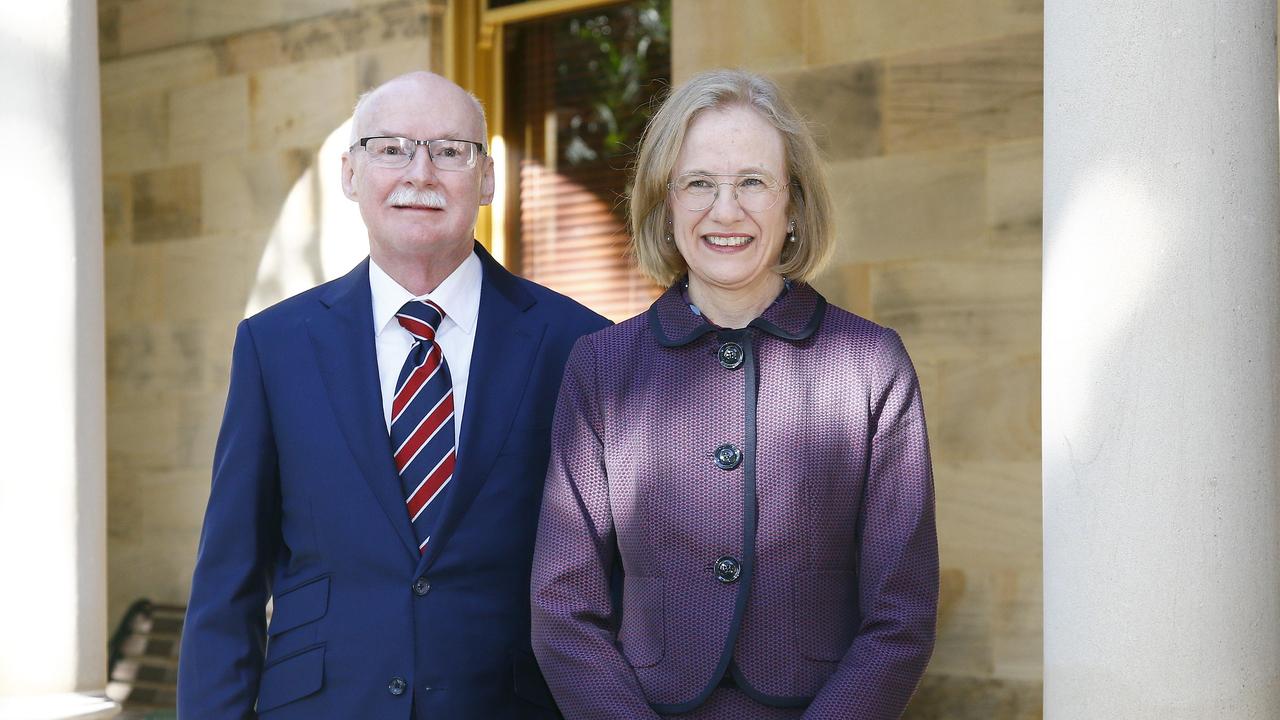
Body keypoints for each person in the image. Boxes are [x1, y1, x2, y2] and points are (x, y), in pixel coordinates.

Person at [178, 71, 608, 719]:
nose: (421, 173)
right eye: (391, 148)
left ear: (487, 179)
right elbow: (228, 583)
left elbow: (613, 576)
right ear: (350, 174)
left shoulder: (577, 343)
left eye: (449, 151)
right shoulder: (275, 346)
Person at [530, 68, 938, 719]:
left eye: (752, 181)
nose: (726, 211)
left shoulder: (870, 365)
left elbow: (901, 617)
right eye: (698, 183)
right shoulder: (602, 369)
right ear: (665, 205)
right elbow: (562, 611)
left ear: (793, 204)